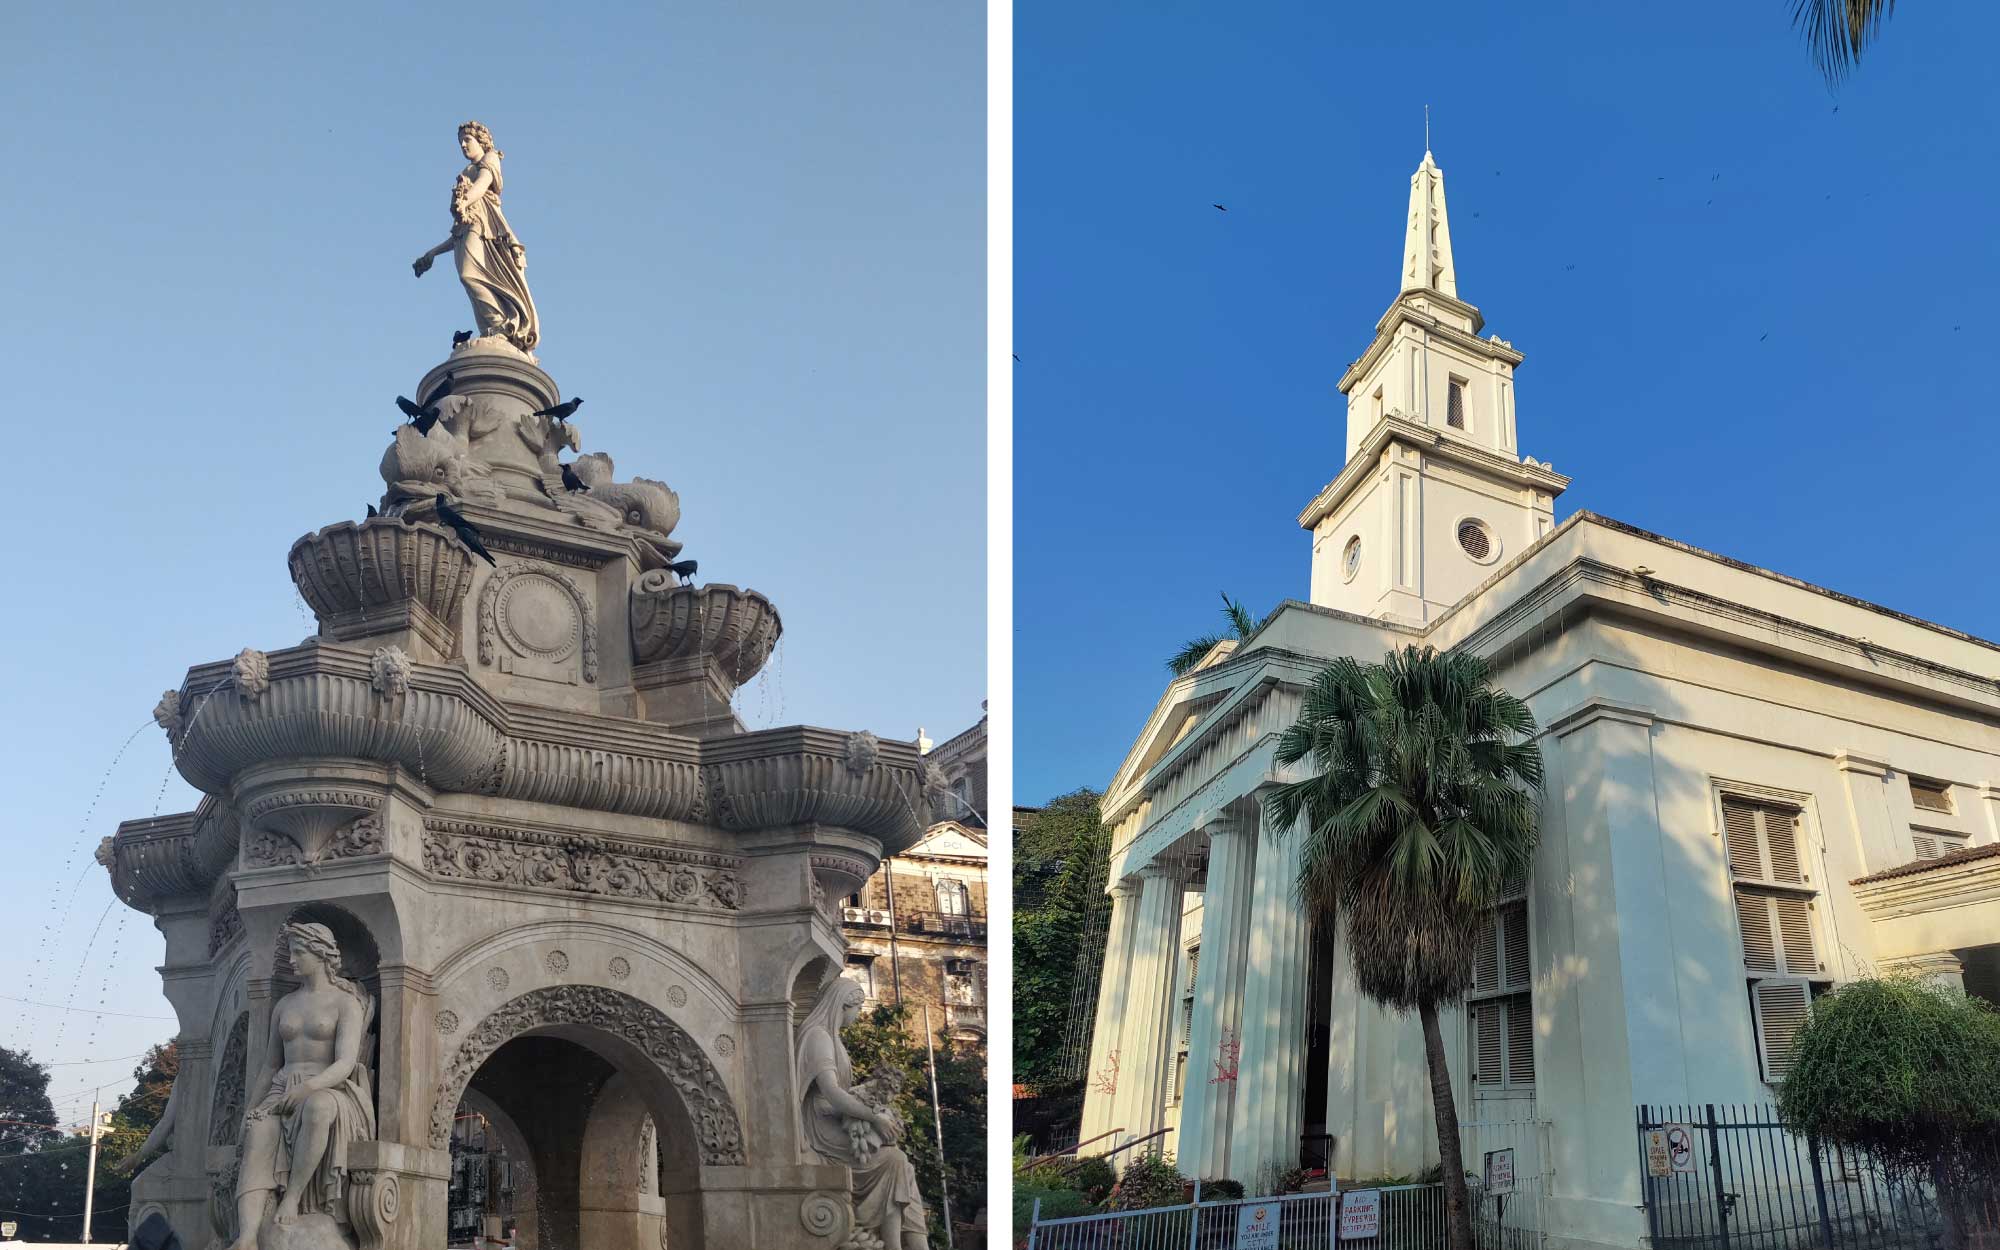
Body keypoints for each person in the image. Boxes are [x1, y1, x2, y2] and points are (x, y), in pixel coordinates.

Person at [227, 922, 376, 1250]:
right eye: (291, 952)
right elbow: (270, 1065)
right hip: (282, 1087)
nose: (292, 960)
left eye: (299, 952)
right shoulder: (285, 1004)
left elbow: (346, 1063)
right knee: (259, 1130)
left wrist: (308, 1088)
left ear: (321, 955)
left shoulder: (345, 1003)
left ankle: (292, 1198)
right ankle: (248, 1235)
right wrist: (253, 1109)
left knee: (318, 1107)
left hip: (331, 1088)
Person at [795, 978, 929, 1250]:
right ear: (843, 1005)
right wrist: (873, 1117)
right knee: (894, 1160)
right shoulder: (818, 1036)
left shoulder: (831, 1038)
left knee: (902, 1164)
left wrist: (873, 1095)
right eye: (856, 1009)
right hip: (819, 1125)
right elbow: (831, 1092)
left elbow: (844, 1091)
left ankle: (916, 1244)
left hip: (835, 1117)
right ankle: (896, 1244)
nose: (857, 1016)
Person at [412, 121, 541, 354]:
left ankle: (501, 327)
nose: (463, 145)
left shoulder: (490, 159)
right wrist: (431, 253)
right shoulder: (464, 174)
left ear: (481, 141)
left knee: (470, 275)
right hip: (469, 230)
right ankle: (492, 329)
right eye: (460, 141)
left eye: (467, 140)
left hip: (485, 230)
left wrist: (464, 199)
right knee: (470, 280)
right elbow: (457, 232)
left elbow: (482, 184)